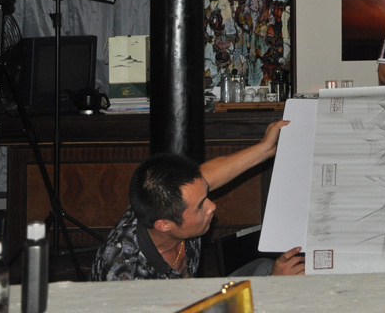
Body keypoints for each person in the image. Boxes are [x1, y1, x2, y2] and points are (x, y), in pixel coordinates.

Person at [91, 120, 304, 281]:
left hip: (191, 295)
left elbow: (208, 174)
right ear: (164, 225)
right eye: (200, 206)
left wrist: (265, 148)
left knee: (264, 266)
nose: (212, 206)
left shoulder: (158, 203)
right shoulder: (126, 273)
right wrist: (273, 285)